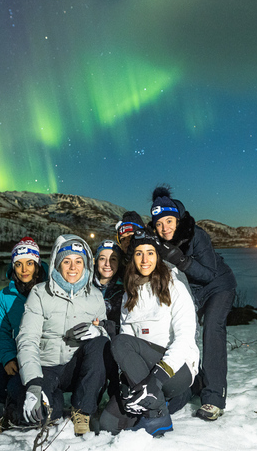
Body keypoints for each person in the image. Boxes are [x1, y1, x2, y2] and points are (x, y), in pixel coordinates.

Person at [149, 186, 237, 421]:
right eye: (159, 224)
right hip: (192, 293)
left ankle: (214, 398)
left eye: (169, 221)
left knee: (212, 330)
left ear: (177, 219)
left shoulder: (196, 234)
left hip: (219, 285)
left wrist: (179, 259)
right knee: (183, 332)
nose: (164, 228)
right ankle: (192, 382)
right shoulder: (156, 241)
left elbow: (209, 273)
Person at [99, 229, 199, 436]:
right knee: (108, 423)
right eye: (139, 253)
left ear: (158, 256)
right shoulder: (130, 294)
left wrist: (157, 379)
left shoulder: (175, 287)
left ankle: (158, 414)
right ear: (132, 257)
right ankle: (156, 400)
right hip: (143, 375)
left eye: (150, 253)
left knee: (119, 342)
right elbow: (130, 341)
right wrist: (125, 382)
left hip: (175, 371)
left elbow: (185, 339)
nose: (145, 259)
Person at [16, 234, 109, 436]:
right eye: (66, 261)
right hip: (47, 368)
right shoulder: (40, 293)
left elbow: (105, 336)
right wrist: (33, 384)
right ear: (57, 264)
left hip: (77, 368)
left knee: (100, 343)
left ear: (86, 265)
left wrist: (99, 330)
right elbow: (27, 339)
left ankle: (82, 410)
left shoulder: (95, 296)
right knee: (40, 416)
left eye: (78, 261)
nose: (73, 267)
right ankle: (53, 402)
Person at [0, 237, 46, 419]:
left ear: (37, 264)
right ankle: (8, 397)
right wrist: (8, 358)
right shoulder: (5, 296)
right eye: (19, 264)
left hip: (47, 354)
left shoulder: (50, 288)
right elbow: (0, 332)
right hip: (18, 354)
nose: (24, 270)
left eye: (30, 263)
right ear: (13, 267)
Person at [93, 240, 124, 327]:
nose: (107, 264)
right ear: (96, 261)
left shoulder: (124, 289)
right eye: (102, 258)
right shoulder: (85, 286)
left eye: (113, 259)